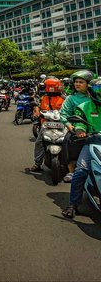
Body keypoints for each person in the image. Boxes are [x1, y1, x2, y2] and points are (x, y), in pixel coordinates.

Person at [62, 78, 101, 219]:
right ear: (91, 91)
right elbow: (79, 122)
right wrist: (79, 130)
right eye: (97, 90)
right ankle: (73, 205)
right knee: (81, 170)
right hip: (92, 143)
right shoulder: (84, 106)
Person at [59, 70, 94, 182]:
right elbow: (64, 114)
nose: (77, 84)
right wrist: (69, 126)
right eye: (76, 82)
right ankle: (71, 171)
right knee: (68, 142)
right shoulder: (71, 98)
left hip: (95, 130)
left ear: (88, 84)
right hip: (76, 130)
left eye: (81, 82)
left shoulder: (96, 97)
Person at [26, 77, 65, 172]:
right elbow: (38, 106)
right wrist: (36, 111)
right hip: (46, 125)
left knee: (69, 142)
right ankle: (37, 164)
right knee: (39, 142)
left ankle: (70, 165)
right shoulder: (44, 98)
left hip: (62, 125)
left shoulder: (64, 98)